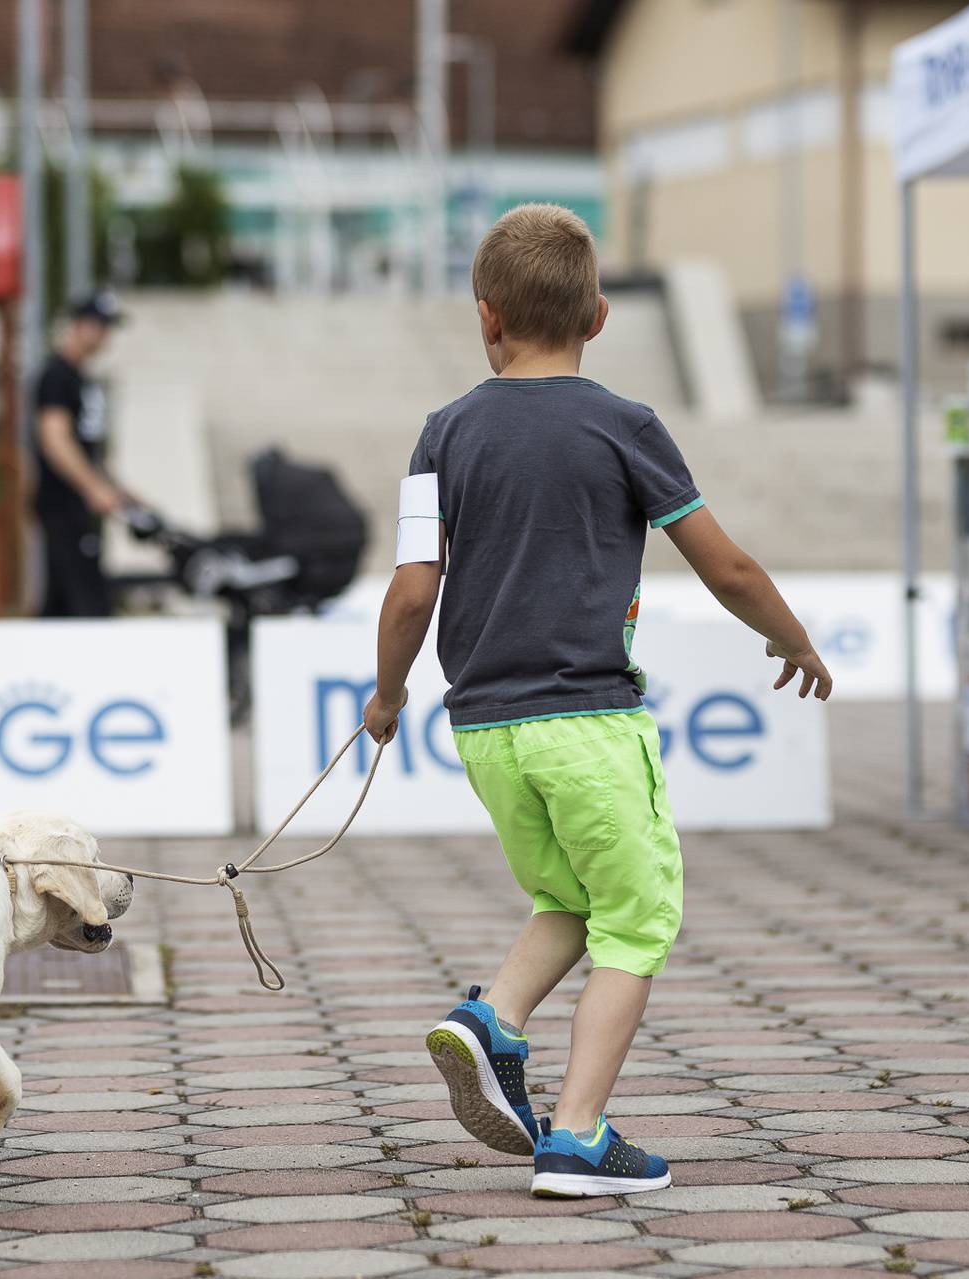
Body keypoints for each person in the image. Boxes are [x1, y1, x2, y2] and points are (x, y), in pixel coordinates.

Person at [360, 204, 832, 1197]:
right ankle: (575, 1134)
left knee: (568, 896)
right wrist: (790, 636)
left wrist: (387, 694)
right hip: (588, 723)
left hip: (484, 731)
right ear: (601, 317)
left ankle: (491, 1020)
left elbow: (411, 590)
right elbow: (727, 565)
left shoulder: (441, 434)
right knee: (639, 912)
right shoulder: (627, 427)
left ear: (485, 318)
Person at [33, 291, 128, 617]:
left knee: (63, 603)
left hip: (82, 510)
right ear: (79, 325)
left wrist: (119, 490)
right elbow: (54, 439)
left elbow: (87, 449)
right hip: (64, 507)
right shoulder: (57, 375)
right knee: (87, 602)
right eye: (99, 325)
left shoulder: (81, 378)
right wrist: (93, 488)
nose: (105, 335)